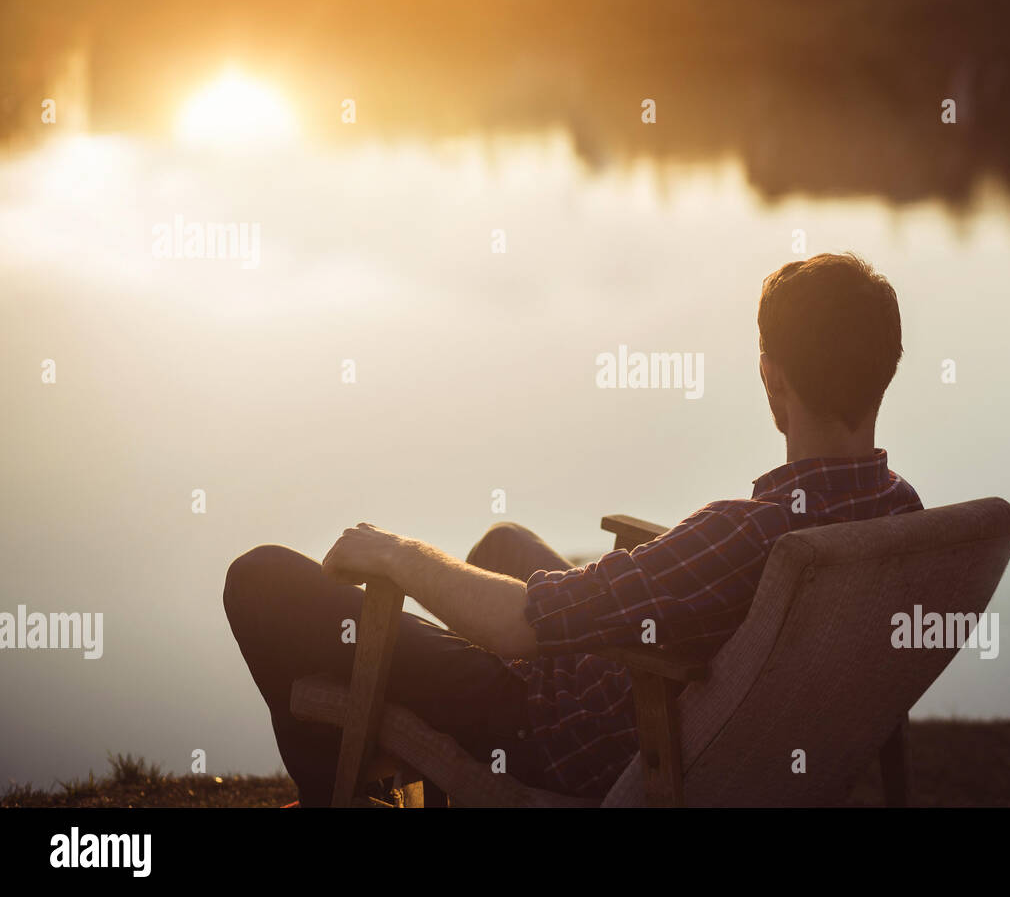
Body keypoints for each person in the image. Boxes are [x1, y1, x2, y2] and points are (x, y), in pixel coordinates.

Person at [224, 252, 922, 804]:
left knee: (261, 582)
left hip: (562, 734)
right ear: (886, 372)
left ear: (772, 381)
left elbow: (519, 627)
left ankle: (347, 795)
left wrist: (398, 553)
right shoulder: (902, 519)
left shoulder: (748, 537)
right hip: (675, 701)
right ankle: (387, 789)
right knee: (503, 543)